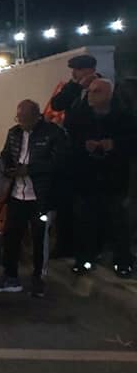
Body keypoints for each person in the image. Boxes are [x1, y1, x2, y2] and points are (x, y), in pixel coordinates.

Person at [0, 100, 67, 297]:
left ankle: (39, 278)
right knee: (11, 236)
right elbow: (6, 153)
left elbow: (58, 162)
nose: (21, 122)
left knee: (40, 239)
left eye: (24, 118)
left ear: (36, 116)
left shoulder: (52, 133)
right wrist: (9, 168)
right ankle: (10, 276)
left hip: (41, 196)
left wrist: (30, 170)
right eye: (19, 118)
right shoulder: (14, 133)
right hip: (17, 194)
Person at [66, 80, 134, 277]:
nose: (91, 95)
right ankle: (84, 259)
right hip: (87, 176)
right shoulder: (80, 116)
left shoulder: (124, 117)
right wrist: (84, 145)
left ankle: (123, 261)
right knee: (86, 220)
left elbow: (132, 142)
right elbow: (69, 141)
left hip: (114, 177)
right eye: (90, 91)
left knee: (118, 221)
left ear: (109, 95)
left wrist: (114, 145)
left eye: (97, 91)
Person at [47, 54, 104, 257]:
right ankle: (65, 244)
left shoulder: (101, 87)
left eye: (78, 70)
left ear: (89, 70)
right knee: (65, 201)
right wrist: (75, 86)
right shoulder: (73, 88)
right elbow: (57, 104)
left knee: (89, 203)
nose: (74, 73)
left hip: (90, 154)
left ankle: (92, 247)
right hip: (71, 152)